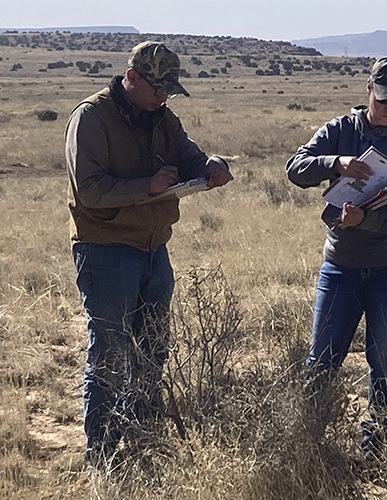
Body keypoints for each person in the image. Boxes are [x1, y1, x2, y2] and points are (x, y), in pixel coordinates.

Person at [65, 41, 232, 465]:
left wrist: (209, 165)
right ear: (131, 77)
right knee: (109, 352)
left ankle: (141, 442)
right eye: (156, 87)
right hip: (105, 250)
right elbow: (89, 190)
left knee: (152, 350)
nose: (162, 96)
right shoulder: (91, 117)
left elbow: (191, 157)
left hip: (155, 250)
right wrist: (148, 187)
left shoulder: (165, 120)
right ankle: (102, 456)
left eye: (168, 89)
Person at [286, 57, 387, 464]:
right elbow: (295, 169)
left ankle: (378, 452)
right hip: (343, 265)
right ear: (368, 89)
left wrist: (366, 218)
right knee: (321, 357)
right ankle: (307, 442)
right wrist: (336, 163)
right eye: (383, 100)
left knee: (384, 356)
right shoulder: (340, 131)